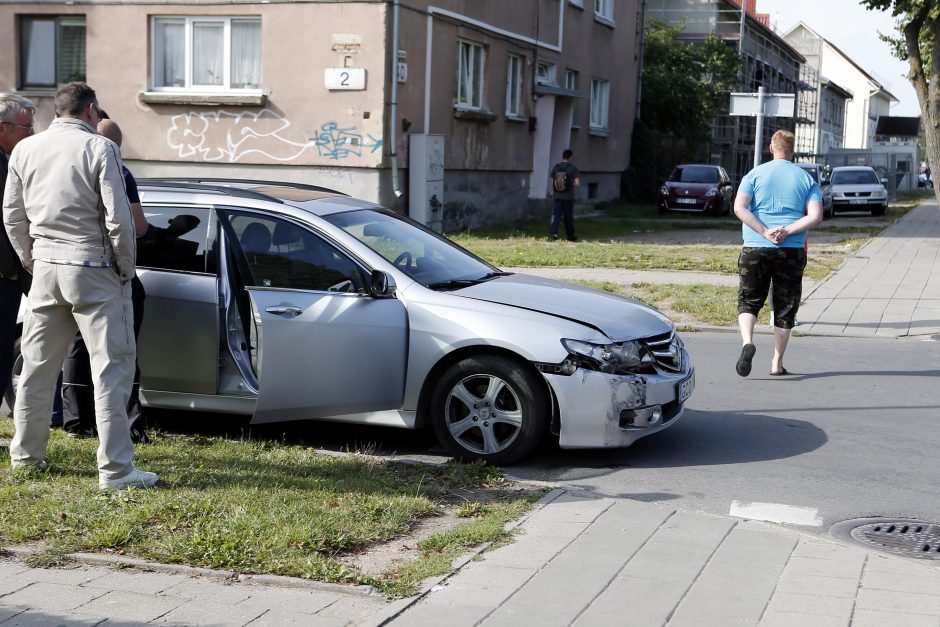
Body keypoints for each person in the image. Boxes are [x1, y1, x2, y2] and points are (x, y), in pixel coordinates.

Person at [2, 82, 157, 489]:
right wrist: (124, 268)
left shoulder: (24, 149)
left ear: (57, 111)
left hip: (47, 266)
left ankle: (26, 456)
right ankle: (116, 470)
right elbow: (120, 220)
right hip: (93, 265)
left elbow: (13, 217)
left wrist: (32, 261)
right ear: (91, 111)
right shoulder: (100, 149)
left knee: (37, 367)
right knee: (111, 369)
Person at [62, 116, 150, 443]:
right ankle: (127, 427)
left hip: (67, 268)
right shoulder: (119, 170)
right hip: (109, 270)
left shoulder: (68, 165)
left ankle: (75, 422)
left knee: (76, 348)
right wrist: (127, 267)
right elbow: (134, 227)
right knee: (119, 349)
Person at [733, 129, 823, 377]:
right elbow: (815, 216)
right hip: (791, 251)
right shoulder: (806, 179)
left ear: (771, 148)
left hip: (755, 247)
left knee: (749, 300)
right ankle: (776, 363)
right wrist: (787, 230)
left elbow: (739, 208)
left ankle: (747, 343)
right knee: (785, 308)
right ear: (792, 151)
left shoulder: (754, 174)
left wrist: (764, 231)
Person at [0, 95, 36, 407]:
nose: (31, 135)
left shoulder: (9, 159)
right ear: (3, 128)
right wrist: (8, 268)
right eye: (26, 128)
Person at [549, 149, 581, 242]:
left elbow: (552, 183)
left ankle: (553, 234)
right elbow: (577, 183)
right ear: (570, 157)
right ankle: (570, 236)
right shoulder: (572, 168)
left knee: (555, 216)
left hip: (557, 196)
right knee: (568, 217)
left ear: (562, 156)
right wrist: (570, 184)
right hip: (568, 197)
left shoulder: (556, 167)